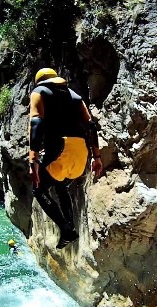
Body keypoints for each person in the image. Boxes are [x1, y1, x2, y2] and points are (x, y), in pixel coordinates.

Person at [28, 68, 103, 249]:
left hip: (61, 149)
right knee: (60, 185)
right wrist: (97, 157)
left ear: (40, 82)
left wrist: (34, 160)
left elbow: (36, 123)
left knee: (38, 190)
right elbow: (91, 126)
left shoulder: (39, 92)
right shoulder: (76, 97)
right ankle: (70, 228)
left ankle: (66, 229)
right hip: (81, 153)